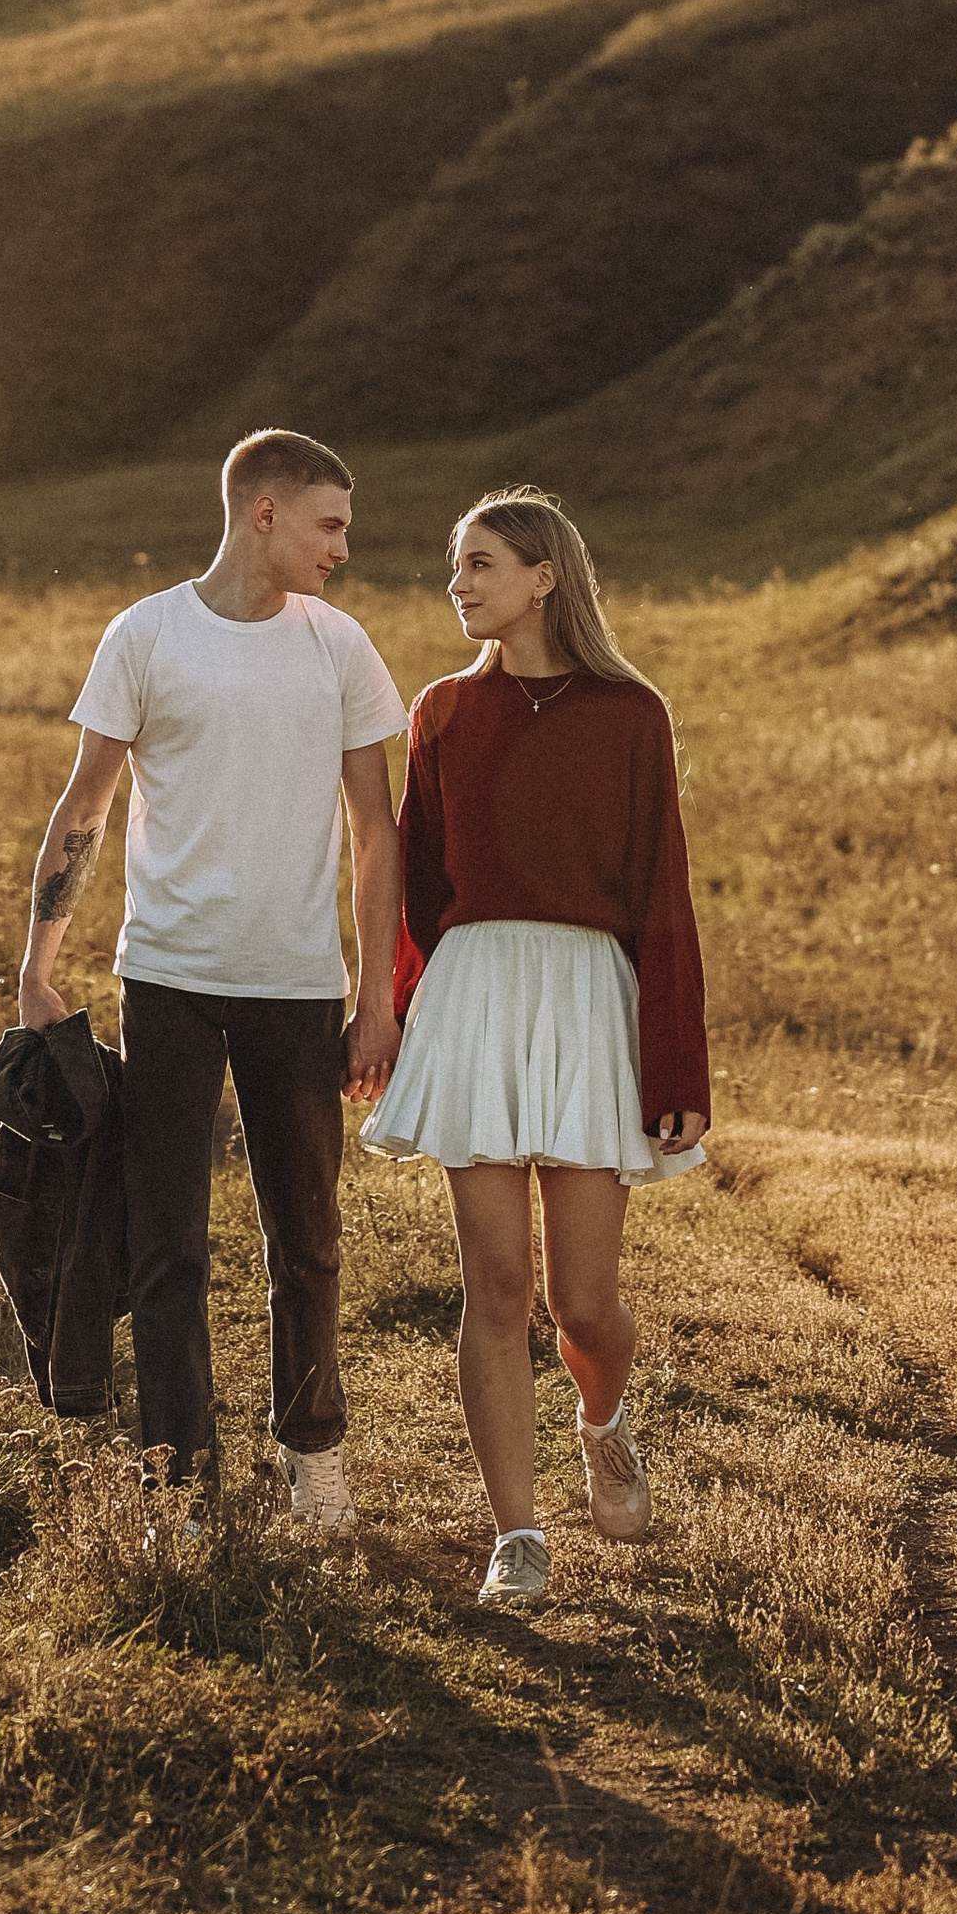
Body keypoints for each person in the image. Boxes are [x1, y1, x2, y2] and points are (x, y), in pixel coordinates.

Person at [17, 430, 407, 1528]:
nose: (344, 546)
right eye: (330, 523)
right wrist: (35, 970)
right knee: (165, 1246)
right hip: (169, 981)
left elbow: (374, 832)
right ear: (265, 513)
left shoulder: (339, 648)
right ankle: (179, 1481)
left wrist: (374, 999)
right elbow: (83, 810)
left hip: (296, 986)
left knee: (308, 1240)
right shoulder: (145, 636)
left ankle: (313, 1452)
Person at [362, 486, 709, 1611]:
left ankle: (601, 1421)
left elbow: (663, 897)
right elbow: (419, 895)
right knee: (495, 1283)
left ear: (543, 575)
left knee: (584, 1306)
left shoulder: (629, 713)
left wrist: (676, 1071)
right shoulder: (441, 714)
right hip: (473, 997)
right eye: (454, 567)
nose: (456, 586)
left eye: (478, 565)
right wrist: (397, 1024)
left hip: (584, 1000)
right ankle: (516, 1533)